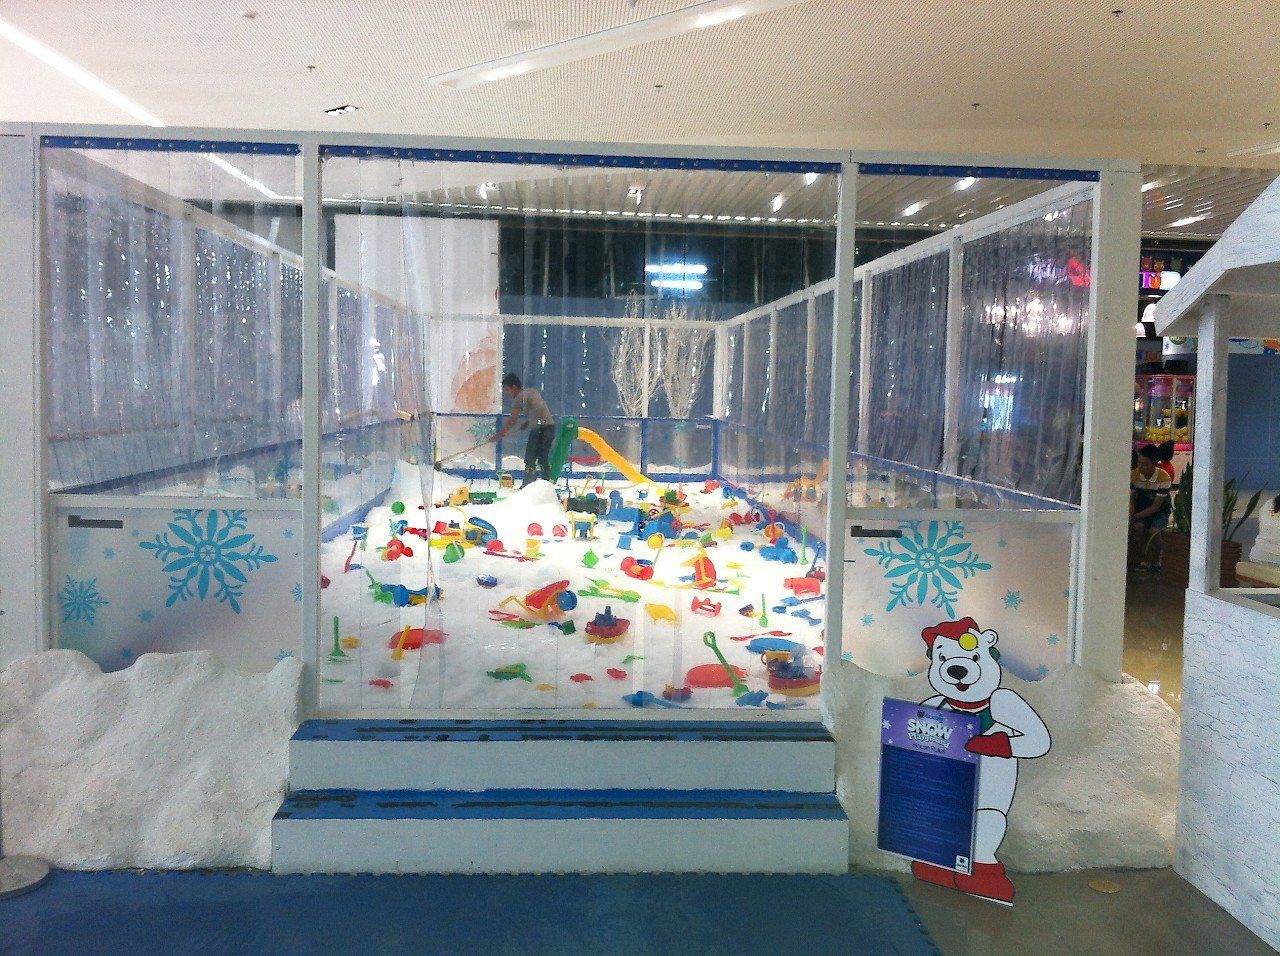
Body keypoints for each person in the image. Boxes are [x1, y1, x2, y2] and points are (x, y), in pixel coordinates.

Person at [494, 373, 556, 487]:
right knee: (543, 458)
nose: (508, 393)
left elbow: (512, 420)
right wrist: (527, 423)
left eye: (508, 390)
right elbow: (539, 409)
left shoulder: (519, 398)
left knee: (530, 458)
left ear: (514, 387)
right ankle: (547, 485)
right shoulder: (532, 392)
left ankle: (527, 486)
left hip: (539, 429)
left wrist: (500, 434)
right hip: (550, 427)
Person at [1130, 443, 1173, 570]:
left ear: (1155, 464)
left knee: (1154, 532)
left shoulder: (1164, 477)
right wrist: (1131, 514)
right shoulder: (1134, 475)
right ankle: (1145, 557)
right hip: (1141, 510)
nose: (1141, 467)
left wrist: (1134, 516)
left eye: (1145, 464)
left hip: (1159, 512)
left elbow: (1155, 507)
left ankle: (1157, 558)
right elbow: (1131, 499)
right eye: (1139, 463)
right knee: (1137, 528)